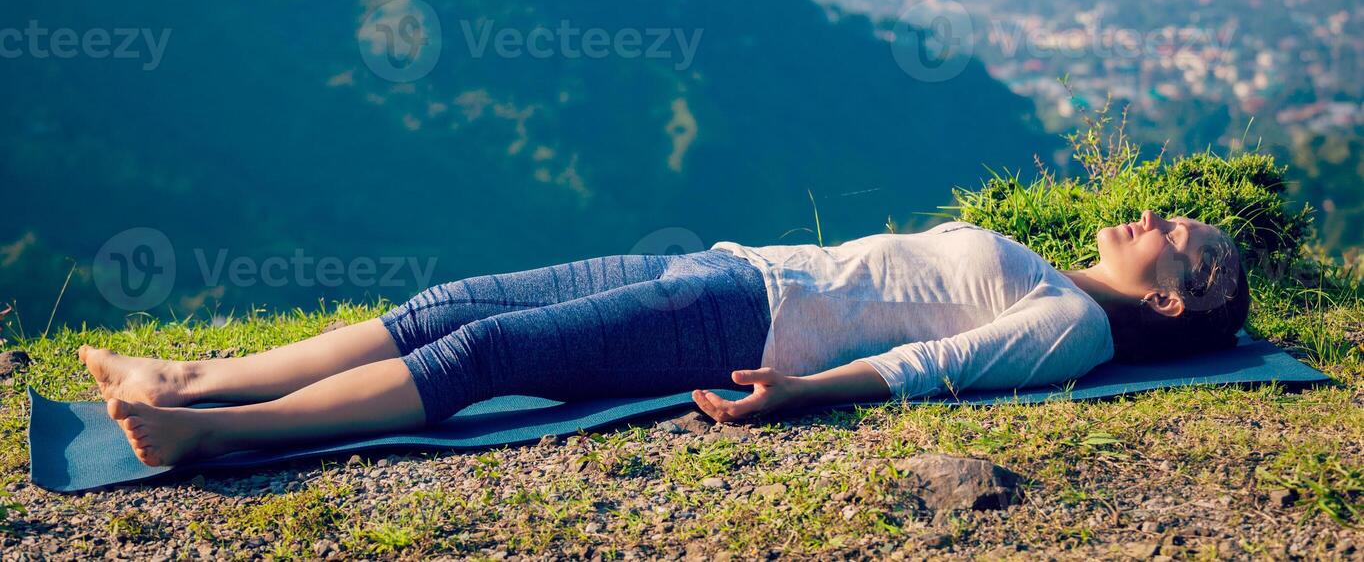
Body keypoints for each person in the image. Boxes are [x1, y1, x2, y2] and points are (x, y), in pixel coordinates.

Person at [84, 210, 1246, 467]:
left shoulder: (1073, 327)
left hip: (749, 321)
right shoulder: (1062, 276)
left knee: (488, 358)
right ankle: (192, 373)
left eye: (1178, 242)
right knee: (453, 303)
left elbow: (927, 368)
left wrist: (798, 392)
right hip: (732, 267)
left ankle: (207, 432)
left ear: (1172, 304)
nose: (1154, 217)